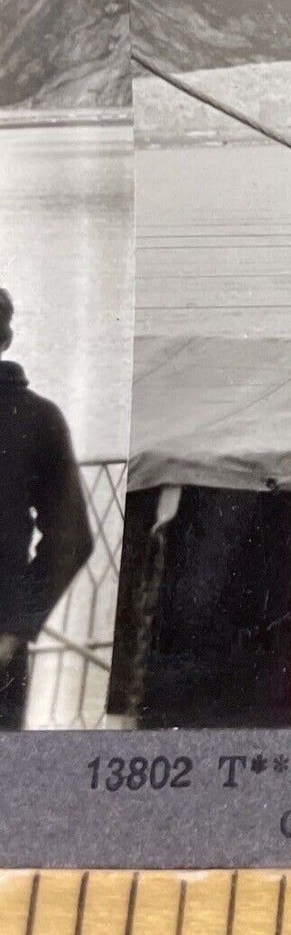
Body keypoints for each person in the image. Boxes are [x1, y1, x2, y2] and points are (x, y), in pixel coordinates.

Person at [0, 288, 94, 730]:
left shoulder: (35, 418)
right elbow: (72, 538)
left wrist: (14, 629)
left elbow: (71, 537)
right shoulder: (39, 418)